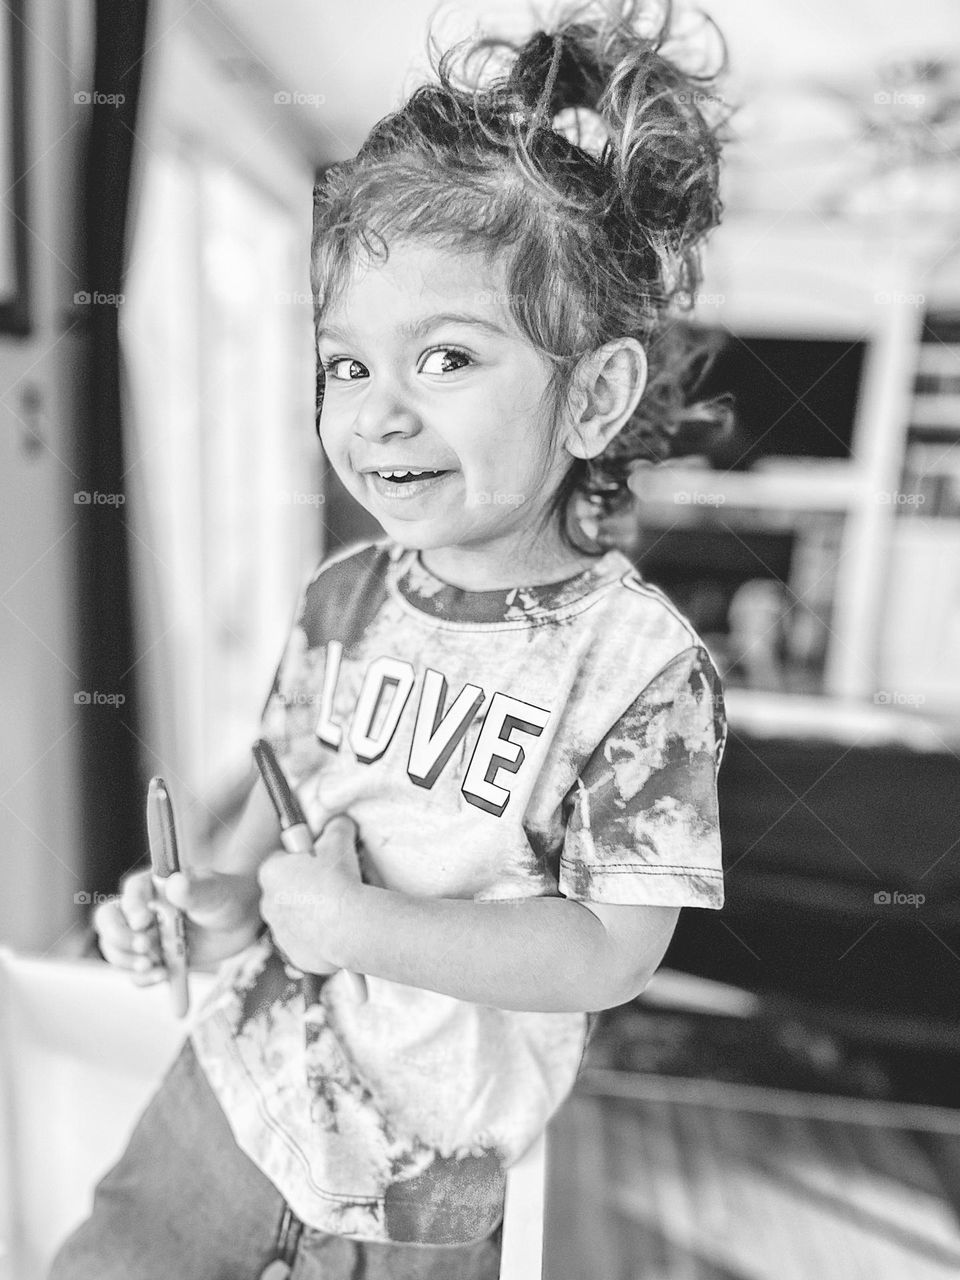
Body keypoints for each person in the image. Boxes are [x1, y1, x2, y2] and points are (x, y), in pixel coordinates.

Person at [51, 1, 732, 1275]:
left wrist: (362, 929)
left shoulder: (640, 675)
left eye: (449, 358)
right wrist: (194, 916)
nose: (380, 417)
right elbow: (266, 861)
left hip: (424, 1187)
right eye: (349, 367)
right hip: (234, 1091)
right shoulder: (341, 596)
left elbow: (611, 952)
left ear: (593, 394)